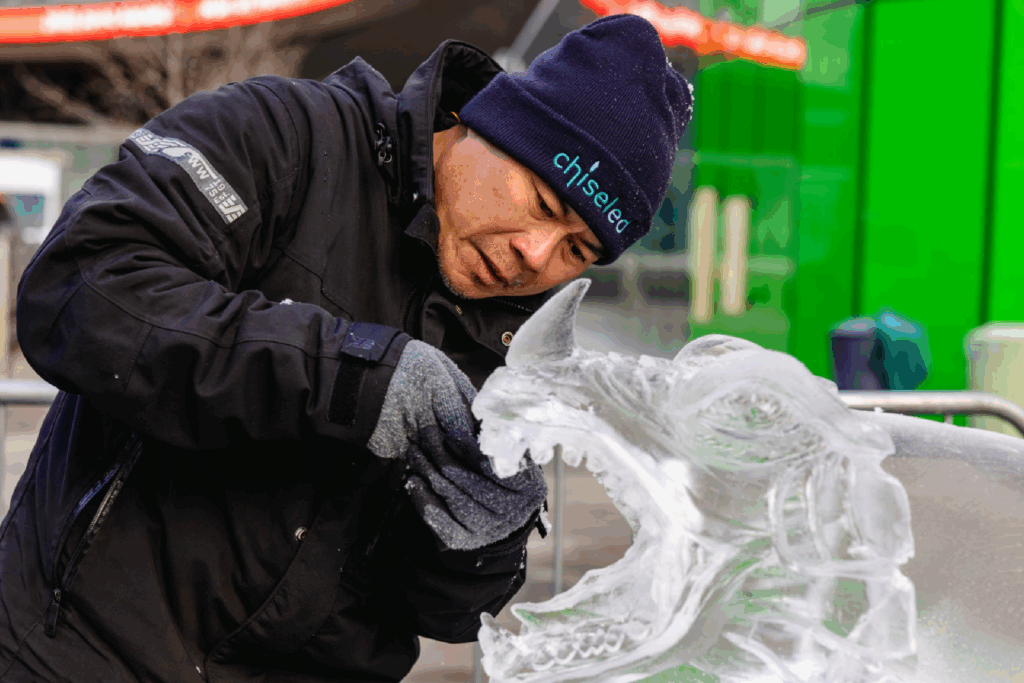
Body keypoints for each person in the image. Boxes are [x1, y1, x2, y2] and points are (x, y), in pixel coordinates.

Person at [0, 13, 692, 683]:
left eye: (578, 249)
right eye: (541, 202)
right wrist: (347, 378)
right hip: (76, 651)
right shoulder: (285, 137)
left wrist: (483, 544)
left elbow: (444, 612)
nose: (533, 256)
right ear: (490, 122)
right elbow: (81, 286)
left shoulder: (525, 351)